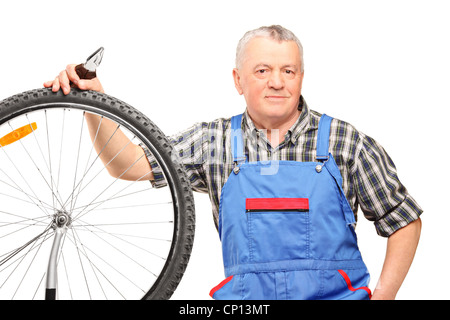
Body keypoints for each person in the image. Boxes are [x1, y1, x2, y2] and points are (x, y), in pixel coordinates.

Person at [44, 25, 422, 300]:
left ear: (301, 78)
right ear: (238, 80)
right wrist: (95, 104)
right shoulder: (214, 142)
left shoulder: (345, 141)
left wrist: (382, 298)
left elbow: (403, 219)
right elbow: (127, 164)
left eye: (287, 71)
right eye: (262, 71)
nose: (277, 82)